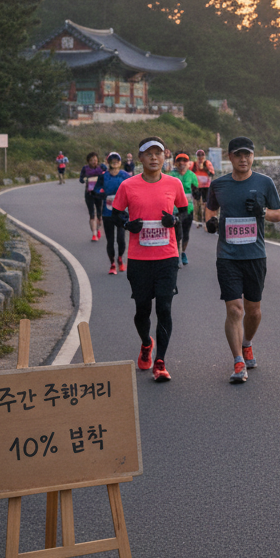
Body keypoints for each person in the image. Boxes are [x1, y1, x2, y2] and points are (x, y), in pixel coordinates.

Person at [111, 135, 189, 382]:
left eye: (158, 153)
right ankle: (146, 343)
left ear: (165, 156)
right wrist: (127, 224)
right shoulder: (128, 185)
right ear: (140, 158)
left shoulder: (174, 184)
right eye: (148, 153)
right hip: (139, 257)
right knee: (142, 309)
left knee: (164, 308)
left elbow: (185, 212)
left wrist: (174, 221)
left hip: (167, 256)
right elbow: (115, 214)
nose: (154, 157)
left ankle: (160, 362)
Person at [205, 137, 280, 383]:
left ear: (253, 156)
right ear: (230, 157)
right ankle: (238, 361)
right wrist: (210, 221)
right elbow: (210, 209)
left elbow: (278, 215)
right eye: (238, 155)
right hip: (227, 256)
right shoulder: (219, 185)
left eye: (247, 154)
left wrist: (261, 211)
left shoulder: (264, 183)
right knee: (234, 309)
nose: (243, 159)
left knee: (253, 311)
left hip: (255, 256)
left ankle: (247, 342)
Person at [94, 152, 132, 275]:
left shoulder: (125, 175)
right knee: (110, 240)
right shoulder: (103, 176)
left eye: (117, 160)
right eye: (112, 160)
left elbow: (133, 189)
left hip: (121, 212)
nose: (114, 162)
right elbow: (96, 189)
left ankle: (120, 258)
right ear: (108, 162)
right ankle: (112, 264)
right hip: (107, 212)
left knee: (121, 238)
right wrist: (100, 194)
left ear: (120, 162)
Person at [172, 153, 199, 265]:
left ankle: (182, 252)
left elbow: (197, 195)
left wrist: (197, 192)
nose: (182, 163)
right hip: (173, 211)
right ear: (176, 163)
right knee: (174, 234)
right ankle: (174, 254)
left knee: (185, 233)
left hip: (188, 210)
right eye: (179, 161)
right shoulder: (170, 175)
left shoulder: (192, 176)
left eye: (185, 161)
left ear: (188, 164)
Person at [79, 153, 106, 241]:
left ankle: (97, 229)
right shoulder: (85, 168)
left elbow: (108, 174)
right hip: (89, 193)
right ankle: (94, 234)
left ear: (97, 160)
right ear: (88, 161)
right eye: (91, 160)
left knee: (99, 214)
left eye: (95, 160)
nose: (93, 162)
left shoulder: (101, 167)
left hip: (99, 193)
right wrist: (85, 179)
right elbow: (81, 179)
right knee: (92, 214)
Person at [191, 149, 215, 228]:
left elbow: (212, 173)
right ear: (197, 156)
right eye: (199, 155)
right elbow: (189, 174)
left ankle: (205, 221)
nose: (200, 157)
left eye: (202, 155)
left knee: (205, 204)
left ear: (204, 156)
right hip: (196, 186)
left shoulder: (207, 163)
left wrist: (206, 168)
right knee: (197, 204)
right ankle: (198, 221)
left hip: (206, 186)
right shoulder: (194, 164)